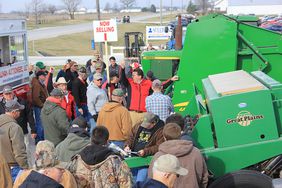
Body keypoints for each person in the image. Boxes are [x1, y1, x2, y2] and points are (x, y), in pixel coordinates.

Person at [67, 126, 133, 187]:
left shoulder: (77, 159)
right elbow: (126, 184)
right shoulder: (114, 160)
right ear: (107, 141)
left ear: (91, 139)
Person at [148, 123, 209, 188]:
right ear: (180, 135)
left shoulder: (158, 156)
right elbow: (204, 177)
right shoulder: (196, 152)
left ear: (164, 137)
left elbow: (152, 180)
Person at [0, 85, 36, 166]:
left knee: (25, 151)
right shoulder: (0, 105)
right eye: (6, 94)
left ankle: (29, 167)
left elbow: (29, 116)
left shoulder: (22, 102)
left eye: (10, 93)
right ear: (3, 95)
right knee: (11, 153)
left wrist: (33, 130)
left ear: (13, 93)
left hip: (22, 131)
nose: (9, 95)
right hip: (7, 135)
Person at [124, 112, 165, 183]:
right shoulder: (138, 125)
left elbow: (159, 146)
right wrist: (127, 145)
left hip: (145, 161)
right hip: (133, 158)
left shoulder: (161, 130)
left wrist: (146, 151)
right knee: (131, 181)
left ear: (154, 123)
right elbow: (131, 137)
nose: (144, 126)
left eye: (147, 125)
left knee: (140, 182)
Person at [0, 100, 28, 181]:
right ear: (14, 112)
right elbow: (19, 151)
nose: (20, 113)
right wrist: (25, 167)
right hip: (13, 167)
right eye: (19, 111)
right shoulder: (14, 127)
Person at [120, 60, 152, 126]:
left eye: (134, 75)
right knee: (132, 131)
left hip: (144, 113)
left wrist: (171, 80)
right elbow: (123, 79)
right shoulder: (130, 83)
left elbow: (159, 86)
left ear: (139, 76)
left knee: (144, 131)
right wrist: (122, 69)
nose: (132, 77)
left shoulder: (148, 83)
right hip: (132, 112)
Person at [31, 70, 48, 144]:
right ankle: (39, 140)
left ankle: (40, 139)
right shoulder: (37, 85)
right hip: (39, 107)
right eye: (44, 75)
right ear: (40, 76)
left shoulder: (40, 83)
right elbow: (36, 98)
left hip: (40, 106)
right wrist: (42, 105)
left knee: (40, 123)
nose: (45, 77)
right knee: (40, 123)